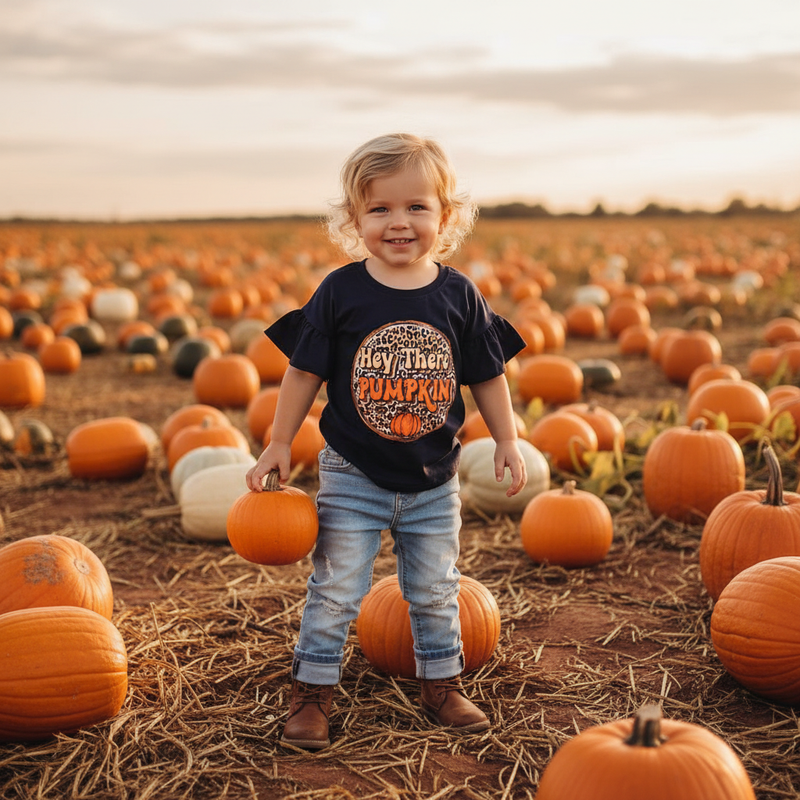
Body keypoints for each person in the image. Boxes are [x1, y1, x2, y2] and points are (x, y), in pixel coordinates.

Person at [245, 132, 528, 750]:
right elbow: (302, 372)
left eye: (416, 207)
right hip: (353, 474)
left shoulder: (459, 294)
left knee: (436, 589)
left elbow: (487, 375)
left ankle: (441, 682)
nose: (398, 222)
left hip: (434, 479)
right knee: (335, 590)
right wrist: (279, 443)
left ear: (445, 217)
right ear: (355, 220)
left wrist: (507, 439)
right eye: (380, 209)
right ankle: (312, 693)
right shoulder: (340, 291)